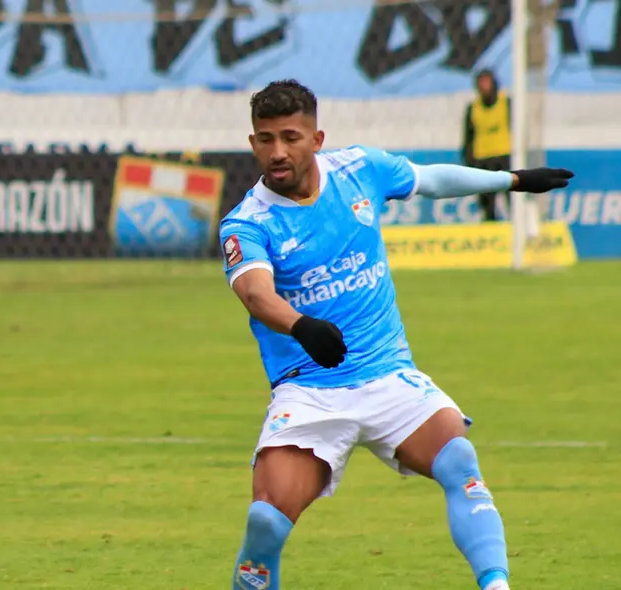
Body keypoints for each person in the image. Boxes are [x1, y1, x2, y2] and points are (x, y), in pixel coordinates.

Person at [220, 79, 571, 590]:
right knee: (267, 520)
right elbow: (255, 293)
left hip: (389, 377)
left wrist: (512, 181)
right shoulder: (247, 222)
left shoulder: (359, 170)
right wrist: (301, 326)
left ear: (317, 139)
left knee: (459, 461)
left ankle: (497, 586)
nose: (278, 152)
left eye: (290, 137)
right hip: (311, 392)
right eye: (266, 138)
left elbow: (430, 179)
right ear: (253, 143)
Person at [461, 68, 512, 222]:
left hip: (505, 156)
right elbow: (468, 136)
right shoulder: (473, 108)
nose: (484, 86)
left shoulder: (506, 103)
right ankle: (491, 233)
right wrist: (469, 160)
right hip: (482, 159)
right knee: (487, 205)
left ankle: (518, 234)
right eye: (481, 82)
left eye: (487, 82)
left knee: (513, 200)